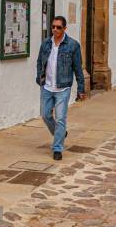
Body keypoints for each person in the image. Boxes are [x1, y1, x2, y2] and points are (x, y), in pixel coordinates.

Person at [36, 16, 85, 161]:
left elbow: (78, 69)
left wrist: (81, 89)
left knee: (61, 118)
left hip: (63, 87)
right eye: (53, 27)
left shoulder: (73, 45)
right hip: (46, 86)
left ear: (65, 29)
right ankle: (61, 133)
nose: (55, 30)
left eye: (58, 27)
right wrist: (39, 77)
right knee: (45, 115)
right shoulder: (45, 44)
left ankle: (57, 148)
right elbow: (39, 62)